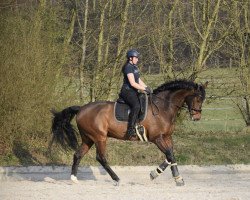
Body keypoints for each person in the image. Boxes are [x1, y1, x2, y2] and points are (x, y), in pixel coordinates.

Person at [119, 49, 152, 140]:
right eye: (136, 57)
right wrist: (144, 89)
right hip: (127, 91)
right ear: (130, 58)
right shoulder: (128, 67)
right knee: (136, 106)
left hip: (134, 91)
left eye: (137, 58)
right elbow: (133, 83)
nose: (137, 59)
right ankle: (130, 129)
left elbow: (138, 80)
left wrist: (147, 88)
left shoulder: (134, 67)